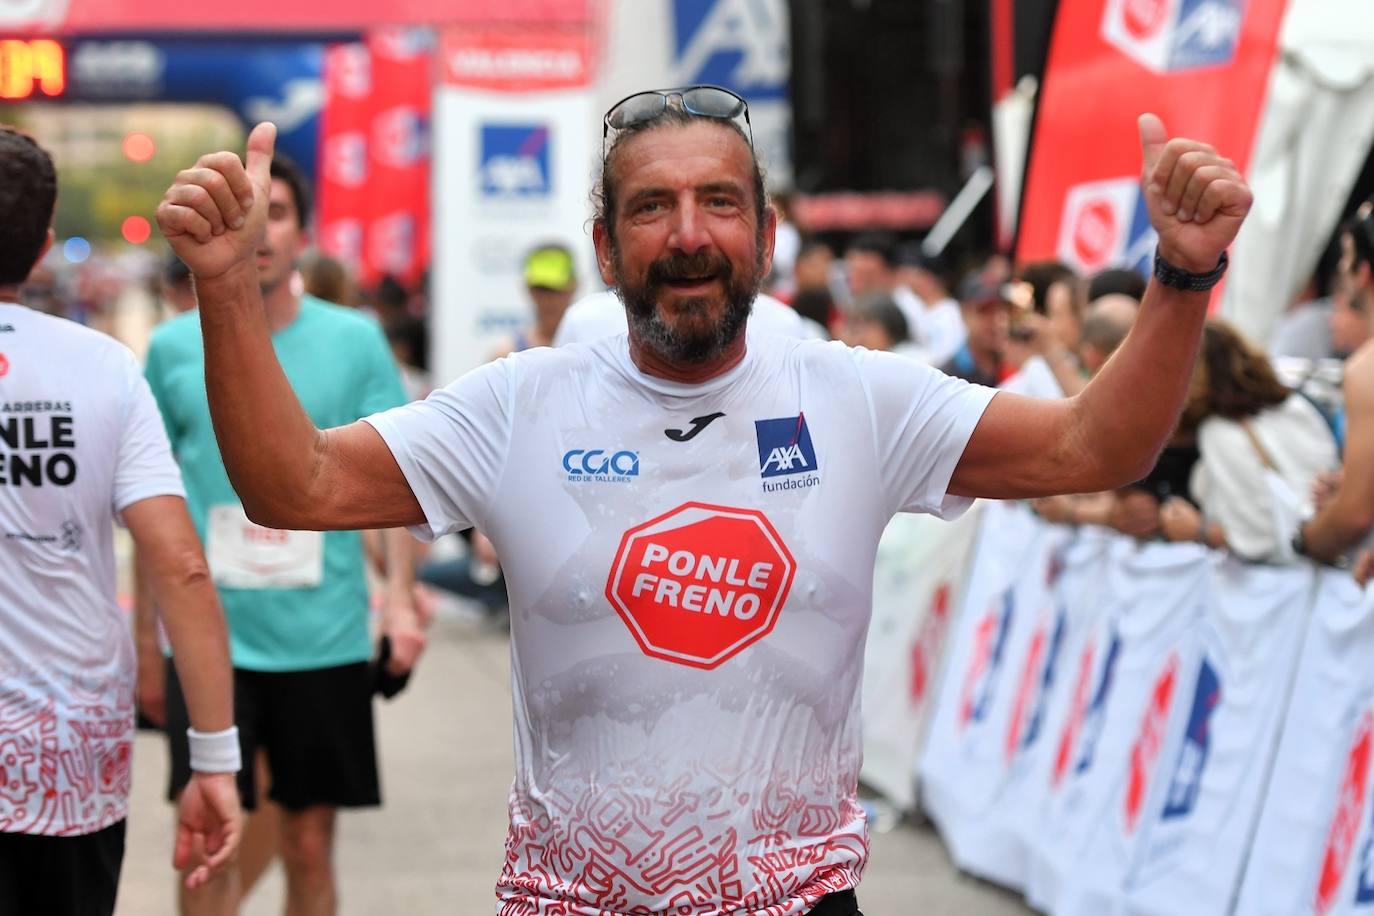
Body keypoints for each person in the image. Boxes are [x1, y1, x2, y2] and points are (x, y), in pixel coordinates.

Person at [156, 88, 1250, 914]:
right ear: (604, 246)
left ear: (766, 236)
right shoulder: (519, 406)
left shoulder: (854, 396)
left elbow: (1088, 443)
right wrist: (225, 288)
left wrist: (1183, 276)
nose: (689, 234)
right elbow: (290, 483)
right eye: (652, 207)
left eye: (719, 202)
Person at [141, 153, 427, 915]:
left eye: (275, 213)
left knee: (307, 844)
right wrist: (143, 640)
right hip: (211, 646)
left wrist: (400, 600)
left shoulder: (355, 342)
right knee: (206, 845)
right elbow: (150, 508)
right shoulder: (172, 349)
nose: (258, 231)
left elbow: (394, 483)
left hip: (322, 637)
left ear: (302, 233)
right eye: (245, 210)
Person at [0, 124, 241, 915]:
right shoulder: (101, 367)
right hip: (69, 748)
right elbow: (181, 565)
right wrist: (213, 760)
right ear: (41, 245)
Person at [1159, 320, 1338, 562]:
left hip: (1273, 586)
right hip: (1326, 564)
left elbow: (1256, 540)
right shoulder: (1294, 405)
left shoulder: (1219, 432)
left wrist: (1197, 530)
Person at [1297, 199, 1374, 573]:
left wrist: (1305, 540)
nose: (1341, 270)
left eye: (1345, 258)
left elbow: (1354, 518)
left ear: (1363, 273)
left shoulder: (1367, 368)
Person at [490, 242, 579, 358]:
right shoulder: (506, 355)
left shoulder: (592, 349)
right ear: (528, 289)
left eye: (557, 288)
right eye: (541, 289)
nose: (549, 299)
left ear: (574, 286)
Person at [940, 275, 1012, 387]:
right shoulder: (948, 378)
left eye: (1003, 310)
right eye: (985, 311)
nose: (998, 321)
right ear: (963, 313)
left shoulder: (1015, 362)